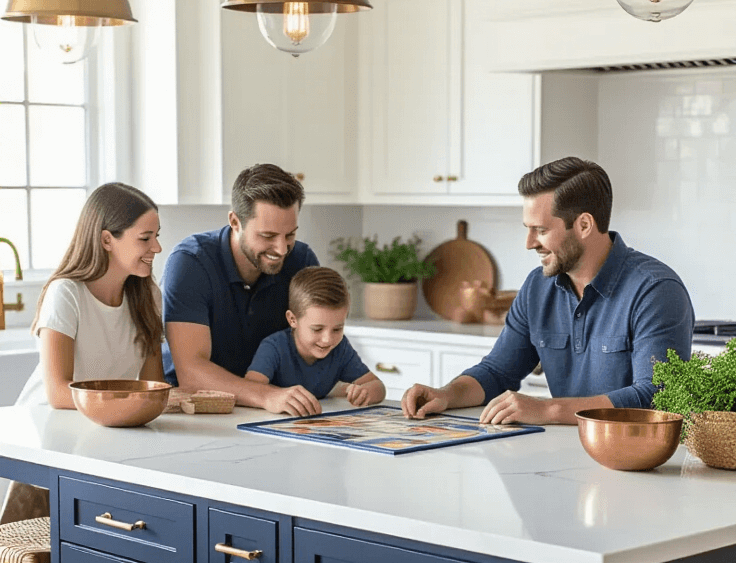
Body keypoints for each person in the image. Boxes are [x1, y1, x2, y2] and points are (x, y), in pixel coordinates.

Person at [401, 156, 694, 426]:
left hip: (633, 464)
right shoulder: (536, 287)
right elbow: (497, 372)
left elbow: (655, 397)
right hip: (558, 454)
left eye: (540, 230)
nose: (529, 243)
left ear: (584, 224)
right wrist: (447, 394)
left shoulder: (655, 291)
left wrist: (548, 410)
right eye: (527, 229)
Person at [162, 164, 319, 405]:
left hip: (270, 407)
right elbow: (191, 373)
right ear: (235, 222)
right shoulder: (190, 262)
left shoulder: (302, 260)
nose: (281, 249)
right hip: (195, 410)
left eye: (290, 235)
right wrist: (268, 396)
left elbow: (321, 352)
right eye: (267, 236)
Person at [17, 182, 164, 408]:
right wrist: (130, 404)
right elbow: (58, 393)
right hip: (44, 422)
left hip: (106, 423)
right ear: (107, 240)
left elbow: (153, 389)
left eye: (156, 236)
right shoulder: (66, 293)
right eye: (145, 238)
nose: (157, 247)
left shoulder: (149, 295)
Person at [245, 267, 386, 417]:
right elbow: (250, 390)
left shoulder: (340, 348)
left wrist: (365, 392)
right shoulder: (274, 347)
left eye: (337, 329)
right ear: (293, 319)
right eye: (317, 329)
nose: (327, 340)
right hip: (272, 421)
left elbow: (378, 386)